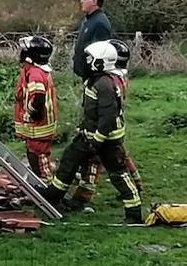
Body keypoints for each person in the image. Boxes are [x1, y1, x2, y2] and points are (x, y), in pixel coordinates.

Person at [43, 41, 144, 224]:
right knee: (69, 160)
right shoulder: (97, 80)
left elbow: (108, 117)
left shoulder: (105, 84)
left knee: (118, 175)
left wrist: (97, 140)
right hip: (89, 135)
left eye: (90, 59)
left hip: (106, 140)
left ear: (100, 62)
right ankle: (53, 196)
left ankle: (134, 213)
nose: (86, 61)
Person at [67, 38, 143, 210]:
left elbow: (107, 111)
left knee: (106, 165)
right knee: (116, 160)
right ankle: (136, 187)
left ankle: (83, 199)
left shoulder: (108, 82)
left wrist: (97, 135)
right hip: (109, 130)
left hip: (104, 132)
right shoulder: (118, 78)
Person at [14, 35, 58, 181]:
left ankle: (47, 190)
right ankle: (41, 184)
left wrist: (31, 113)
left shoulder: (35, 73)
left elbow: (38, 96)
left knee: (39, 160)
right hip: (37, 127)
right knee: (34, 156)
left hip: (38, 127)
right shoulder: (35, 69)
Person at [73, 0, 113, 80]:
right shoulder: (88, 20)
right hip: (86, 75)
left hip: (94, 77)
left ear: (94, 2)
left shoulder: (100, 23)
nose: (81, 1)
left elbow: (100, 53)